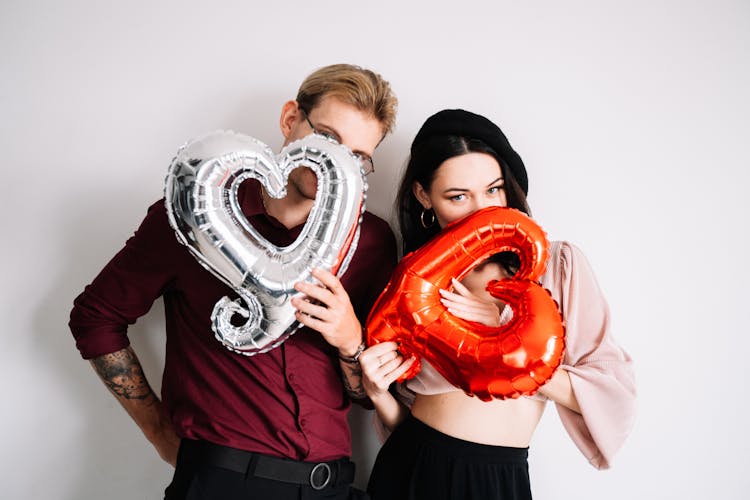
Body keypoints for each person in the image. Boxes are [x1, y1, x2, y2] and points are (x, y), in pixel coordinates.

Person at [69, 64, 398, 499]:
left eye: (356, 158)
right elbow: (95, 318)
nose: (333, 164)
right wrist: (159, 434)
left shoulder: (370, 241)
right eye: (327, 139)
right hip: (224, 482)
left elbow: (363, 395)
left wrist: (349, 339)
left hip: (332, 483)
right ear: (290, 119)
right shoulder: (191, 219)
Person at [359, 109, 636, 500]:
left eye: (493, 189)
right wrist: (377, 393)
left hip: (497, 480)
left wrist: (510, 338)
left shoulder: (558, 266)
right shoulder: (416, 286)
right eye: (458, 196)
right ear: (425, 197)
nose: (482, 210)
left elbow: (612, 395)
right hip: (410, 468)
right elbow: (403, 422)